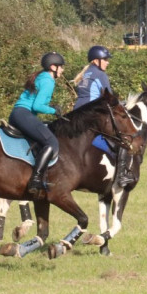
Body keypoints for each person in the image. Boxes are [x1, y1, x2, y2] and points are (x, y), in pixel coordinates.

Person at [73, 45, 135, 188]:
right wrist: (124, 105)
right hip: (92, 115)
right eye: (105, 59)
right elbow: (110, 98)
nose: (108, 62)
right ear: (96, 61)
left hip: (77, 113)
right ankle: (122, 176)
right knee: (122, 139)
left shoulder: (85, 74)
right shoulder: (101, 75)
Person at [9, 52, 65, 198]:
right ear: (53, 67)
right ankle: (35, 180)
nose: (62, 70)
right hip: (24, 114)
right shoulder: (48, 80)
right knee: (52, 142)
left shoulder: (41, 77)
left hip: (18, 113)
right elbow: (38, 106)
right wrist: (54, 111)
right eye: (61, 67)